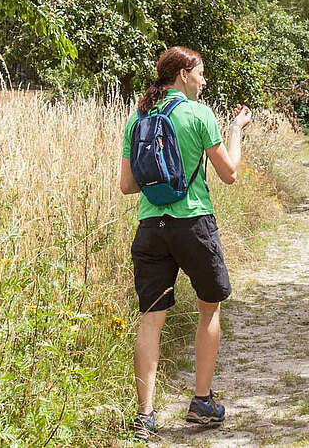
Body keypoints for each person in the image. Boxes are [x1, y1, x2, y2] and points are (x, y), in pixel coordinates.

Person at [118, 46, 252, 440]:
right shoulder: (199, 114)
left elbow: (127, 186)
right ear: (182, 75)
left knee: (150, 319)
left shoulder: (138, 116)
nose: (204, 81)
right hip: (193, 224)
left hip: (149, 226)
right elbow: (229, 173)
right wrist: (235, 130)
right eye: (200, 74)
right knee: (209, 309)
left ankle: (144, 415)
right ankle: (201, 402)